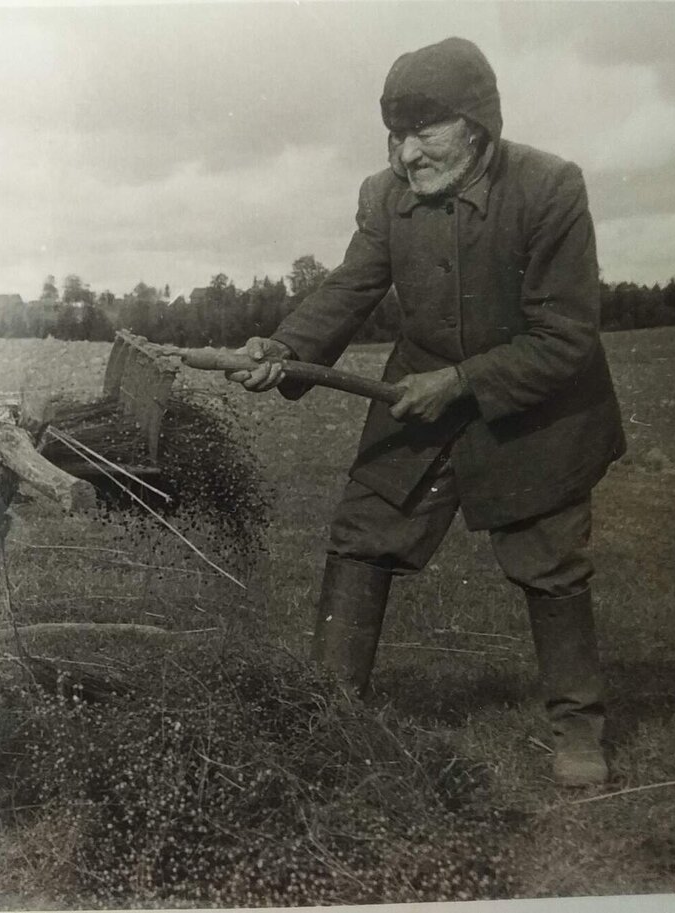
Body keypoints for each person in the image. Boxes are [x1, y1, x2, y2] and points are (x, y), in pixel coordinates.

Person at [229, 37, 625, 787]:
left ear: (479, 124)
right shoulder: (385, 196)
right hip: (418, 396)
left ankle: (578, 729)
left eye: (425, 132)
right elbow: (352, 285)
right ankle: (328, 713)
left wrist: (462, 381)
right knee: (360, 535)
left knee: (550, 563)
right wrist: (283, 345)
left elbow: (567, 337)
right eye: (395, 135)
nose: (407, 154)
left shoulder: (549, 189)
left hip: (533, 406)